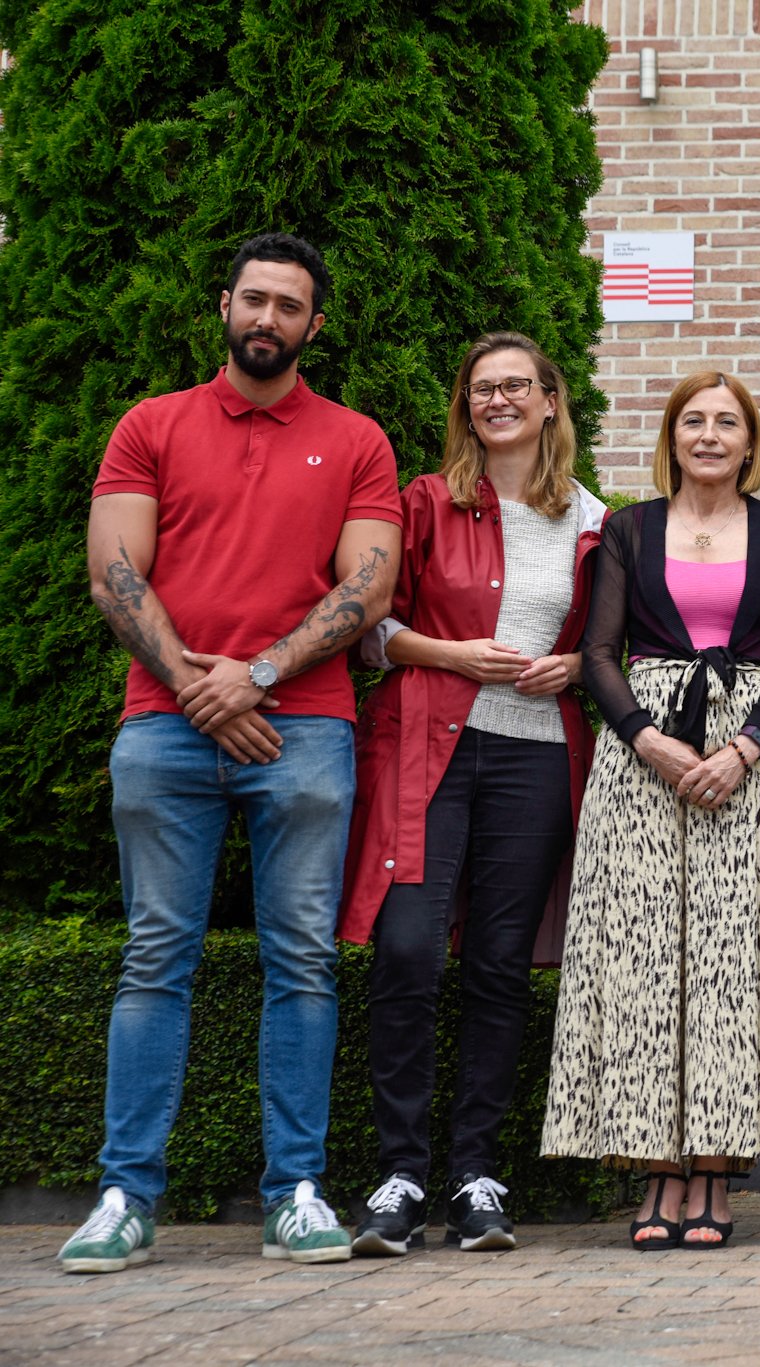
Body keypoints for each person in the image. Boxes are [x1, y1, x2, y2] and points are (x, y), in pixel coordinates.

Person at [63, 233, 400, 1273]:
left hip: (302, 730)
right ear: (224, 305)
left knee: (300, 959)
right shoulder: (151, 424)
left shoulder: (354, 440)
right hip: (165, 723)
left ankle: (294, 1189)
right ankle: (126, 1194)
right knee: (154, 953)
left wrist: (249, 678)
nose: (268, 318)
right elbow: (114, 571)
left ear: (314, 325)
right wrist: (205, 691)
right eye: (254, 299)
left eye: (289, 306)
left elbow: (368, 590)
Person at [338, 333, 608, 1256]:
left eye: (514, 387)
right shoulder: (424, 503)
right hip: (429, 750)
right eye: (481, 388)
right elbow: (368, 630)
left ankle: (475, 1175)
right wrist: (451, 653)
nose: (497, 400)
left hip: (536, 756)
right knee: (408, 950)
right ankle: (401, 1174)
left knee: (499, 965)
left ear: (547, 402)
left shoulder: (593, 520)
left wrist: (576, 663)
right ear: (468, 405)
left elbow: (610, 650)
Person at [540, 371, 760, 1251]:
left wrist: (746, 746)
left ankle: (716, 1172)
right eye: (692, 421)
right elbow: (597, 651)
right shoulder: (628, 527)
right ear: (672, 435)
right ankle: (656, 1170)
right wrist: (647, 738)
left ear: (749, 442)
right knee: (645, 959)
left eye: (725, 422)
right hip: (644, 756)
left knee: (736, 964)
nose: (708, 435)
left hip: (754, 760)